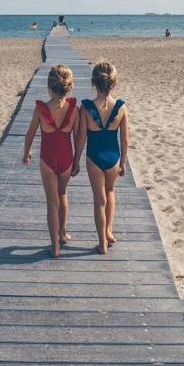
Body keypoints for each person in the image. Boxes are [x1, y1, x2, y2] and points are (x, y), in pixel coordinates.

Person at [73, 61, 129, 254]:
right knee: (110, 192)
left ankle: (102, 242)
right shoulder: (121, 107)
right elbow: (124, 139)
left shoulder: (86, 107)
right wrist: (122, 163)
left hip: (94, 157)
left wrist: (75, 161)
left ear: (93, 83)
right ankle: (108, 231)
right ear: (114, 83)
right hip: (113, 156)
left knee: (99, 200)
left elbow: (81, 138)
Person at [23, 65, 79, 258]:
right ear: (69, 88)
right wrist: (77, 160)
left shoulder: (41, 110)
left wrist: (26, 153)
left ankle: (54, 245)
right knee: (63, 194)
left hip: (47, 159)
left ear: (49, 87)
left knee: (51, 201)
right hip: (67, 159)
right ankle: (62, 233)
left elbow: (29, 134)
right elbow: (79, 138)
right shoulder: (74, 110)